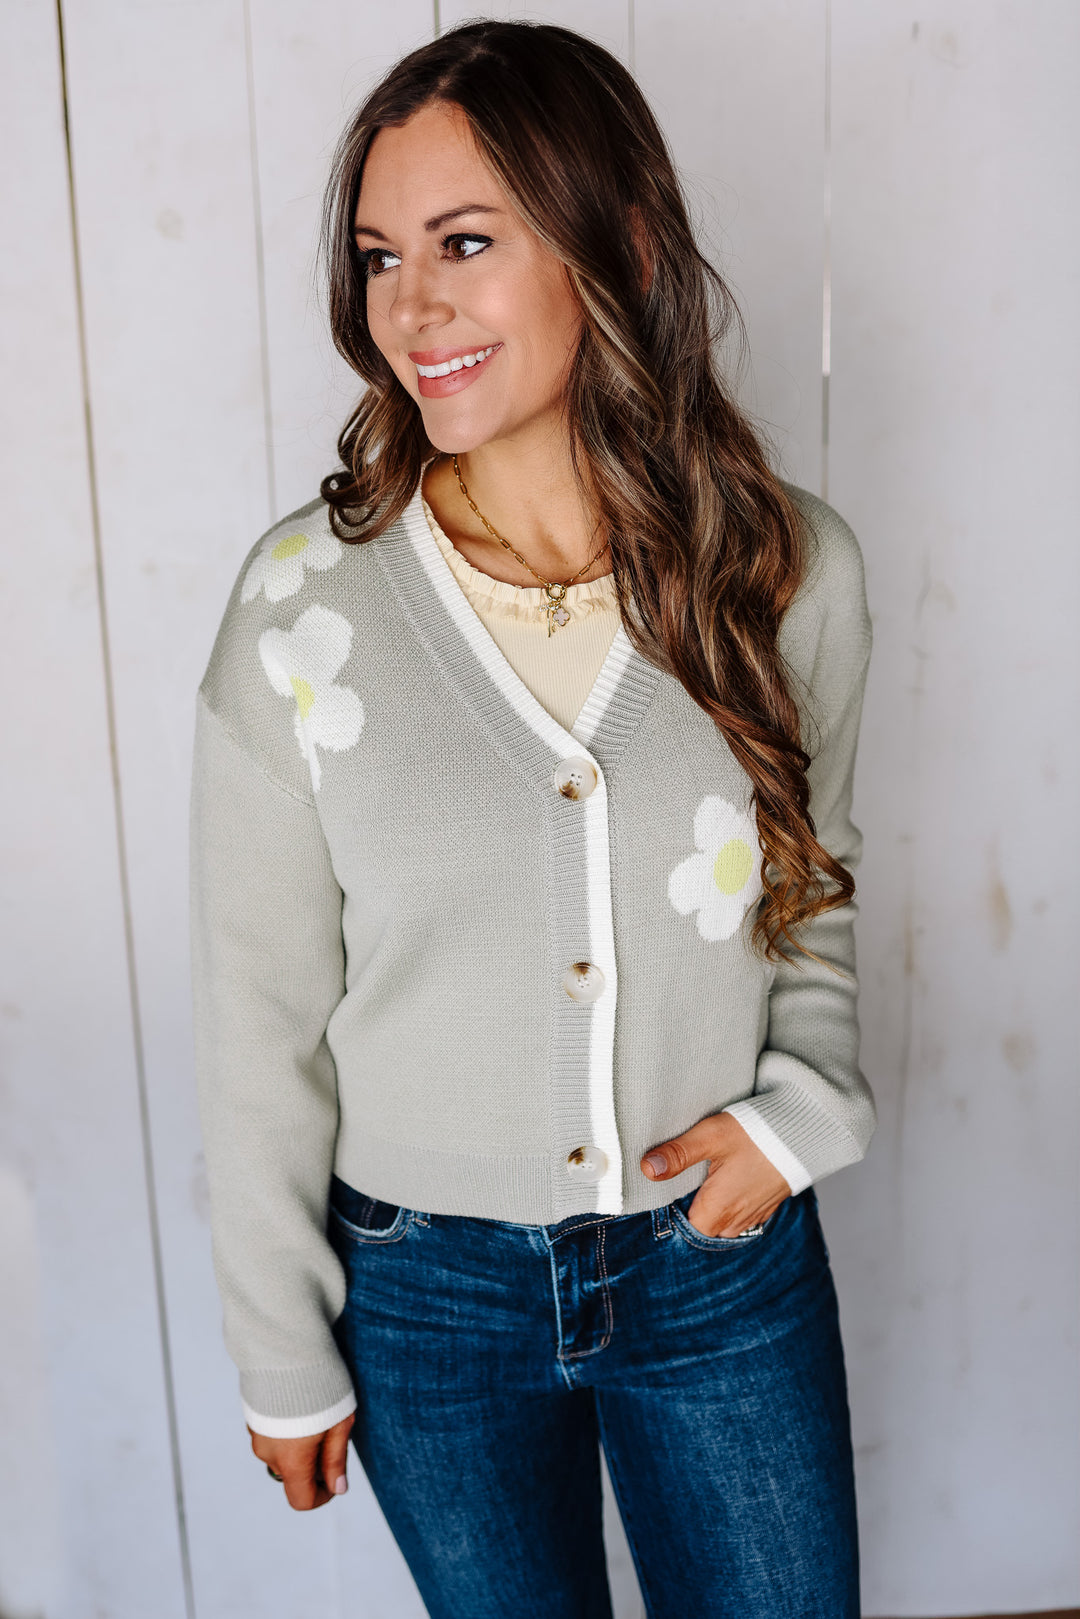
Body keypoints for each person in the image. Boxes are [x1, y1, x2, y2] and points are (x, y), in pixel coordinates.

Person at [190, 19, 875, 1619]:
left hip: (718, 1259)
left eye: (465, 243)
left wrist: (797, 1121)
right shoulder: (301, 612)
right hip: (425, 1296)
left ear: (615, 243)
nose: (408, 307)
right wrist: (283, 1347)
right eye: (379, 257)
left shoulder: (782, 572)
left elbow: (815, 880)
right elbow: (257, 1013)